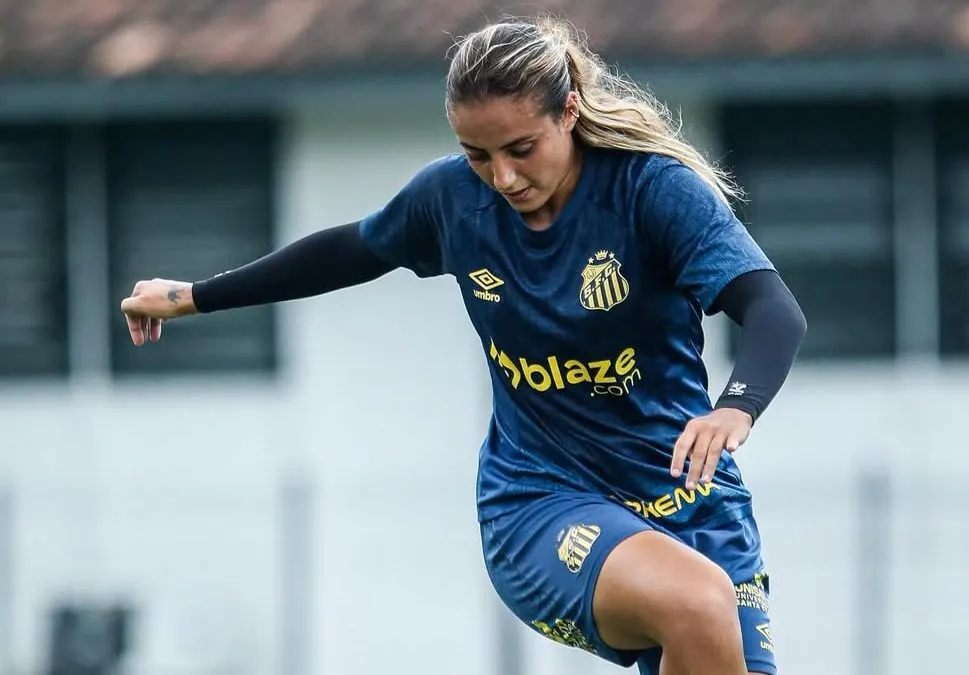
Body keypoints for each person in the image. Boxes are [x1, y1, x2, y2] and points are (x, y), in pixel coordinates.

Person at [119, 15, 806, 675]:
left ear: (568, 112)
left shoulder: (652, 191)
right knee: (698, 599)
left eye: (520, 149)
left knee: (706, 601)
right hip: (544, 503)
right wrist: (193, 295)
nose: (502, 178)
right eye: (479, 155)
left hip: (695, 505)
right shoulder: (452, 200)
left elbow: (773, 310)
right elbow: (351, 251)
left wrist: (735, 406)